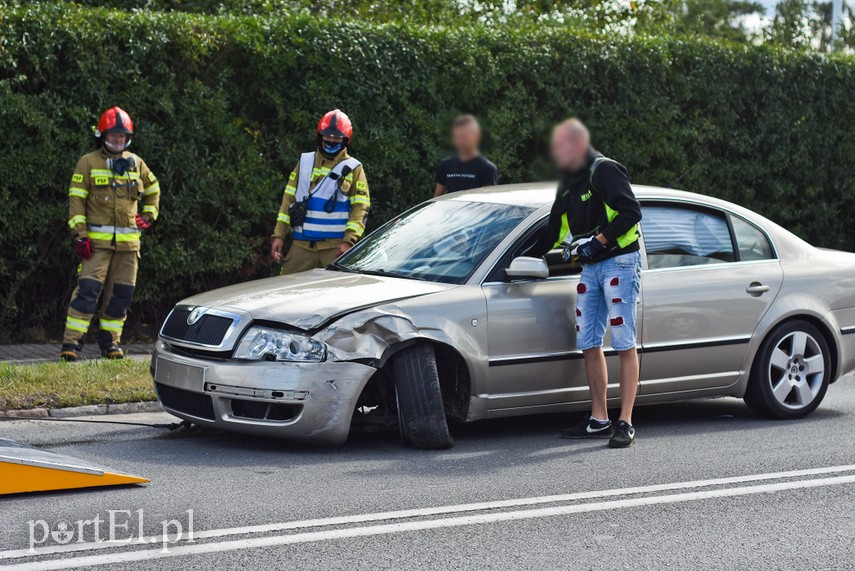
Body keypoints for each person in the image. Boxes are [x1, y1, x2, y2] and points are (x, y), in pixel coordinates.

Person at [529, 118, 643, 448]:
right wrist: (518, 262)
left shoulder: (604, 170)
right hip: (591, 268)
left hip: (620, 261)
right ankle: (599, 419)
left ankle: (626, 422)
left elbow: (631, 212)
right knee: (589, 340)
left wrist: (600, 239)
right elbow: (554, 231)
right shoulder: (569, 181)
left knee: (623, 340)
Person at [60, 107, 161, 361]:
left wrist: (148, 216)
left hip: (128, 248)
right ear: (102, 135)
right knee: (87, 293)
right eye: (113, 135)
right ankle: (71, 345)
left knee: (120, 297)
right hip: (96, 247)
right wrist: (79, 234)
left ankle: (111, 344)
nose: (118, 140)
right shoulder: (88, 162)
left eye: (122, 136)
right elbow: (76, 200)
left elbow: (154, 188)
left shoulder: (136, 163)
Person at [270, 109, 370, 272]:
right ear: (320, 135)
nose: (331, 140)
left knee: (336, 294)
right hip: (302, 246)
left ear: (346, 140)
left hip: (335, 248)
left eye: (336, 137)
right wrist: (279, 234)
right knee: (288, 290)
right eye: (327, 136)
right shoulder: (305, 161)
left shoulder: (354, 168)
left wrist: (349, 241)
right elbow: (288, 200)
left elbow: (361, 208)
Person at [433, 115, 498, 197]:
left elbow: (488, 203)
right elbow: (437, 198)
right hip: (451, 209)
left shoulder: (488, 168)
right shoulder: (445, 164)